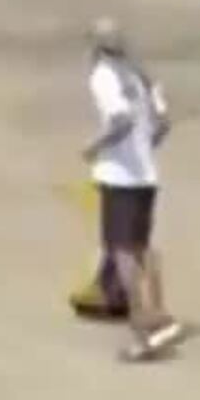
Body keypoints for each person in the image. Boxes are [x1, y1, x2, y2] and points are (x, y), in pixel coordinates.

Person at [80, 18, 185, 363]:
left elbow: (120, 120)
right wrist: (146, 146)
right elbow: (163, 122)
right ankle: (160, 314)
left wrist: (96, 147)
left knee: (121, 251)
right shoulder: (139, 75)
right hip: (146, 173)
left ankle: (142, 332)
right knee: (143, 247)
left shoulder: (104, 77)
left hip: (119, 174)